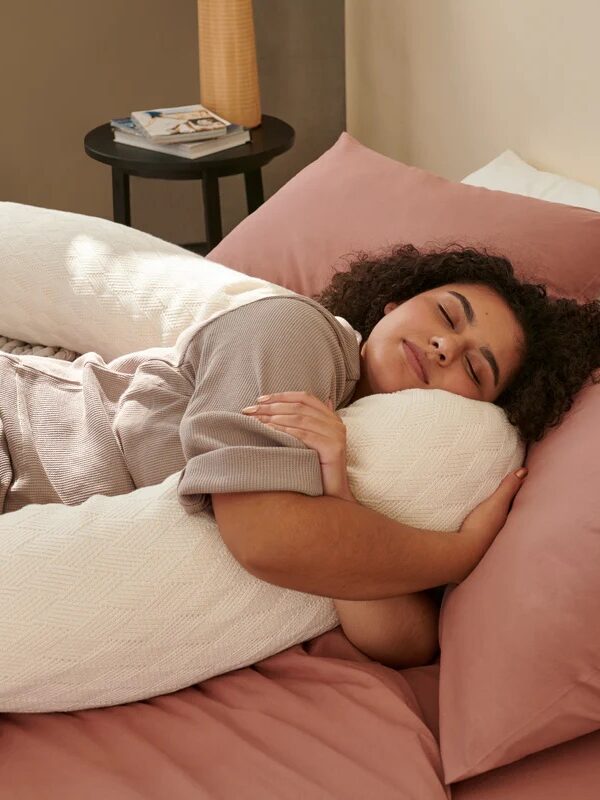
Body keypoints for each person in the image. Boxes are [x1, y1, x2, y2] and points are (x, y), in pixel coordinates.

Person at [0, 244, 597, 669]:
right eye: (445, 314)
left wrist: (339, 495)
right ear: (391, 304)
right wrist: (460, 552)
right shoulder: (296, 332)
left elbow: (408, 646)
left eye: (474, 366)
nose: (445, 345)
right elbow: (266, 536)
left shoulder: (381, 447)